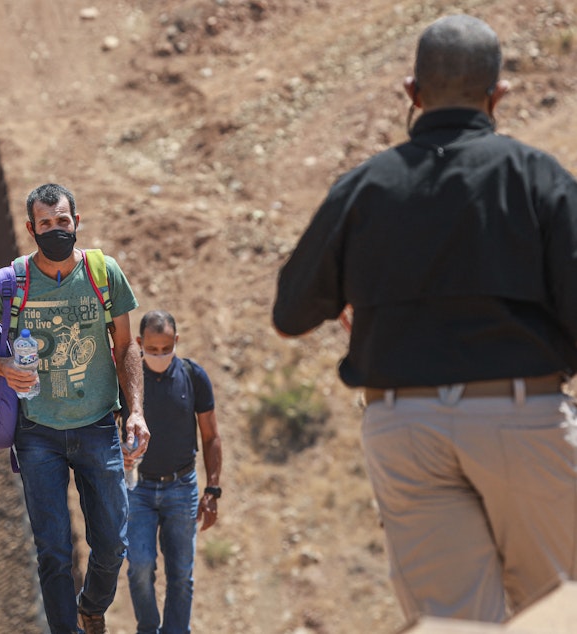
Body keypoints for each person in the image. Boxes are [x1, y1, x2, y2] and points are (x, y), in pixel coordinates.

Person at [273, 13, 577, 626]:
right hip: (521, 418)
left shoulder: (364, 187)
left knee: (455, 623)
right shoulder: (538, 177)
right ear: (499, 95)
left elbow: (292, 310)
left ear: (412, 93)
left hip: (403, 428)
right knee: (560, 612)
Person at [0, 182, 149, 634]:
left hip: (98, 425)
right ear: (30, 229)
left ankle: (92, 606)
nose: (55, 230)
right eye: (45, 224)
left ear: (76, 222)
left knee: (113, 543)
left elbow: (126, 348)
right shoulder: (8, 283)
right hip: (37, 433)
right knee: (53, 551)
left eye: (63, 222)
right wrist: (1, 366)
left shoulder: (103, 273)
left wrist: (134, 410)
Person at [121, 310, 222, 634]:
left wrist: (212, 490)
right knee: (140, 565)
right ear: (139, 344)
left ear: (176, 342)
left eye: (166, 349)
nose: (160, 355)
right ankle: (148, 628)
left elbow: (211, 435)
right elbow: (108, 428)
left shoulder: (193, 376)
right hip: (137, 489)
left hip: (182, 488)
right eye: (153, 349)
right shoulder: (127, 381)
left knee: (181, 573)